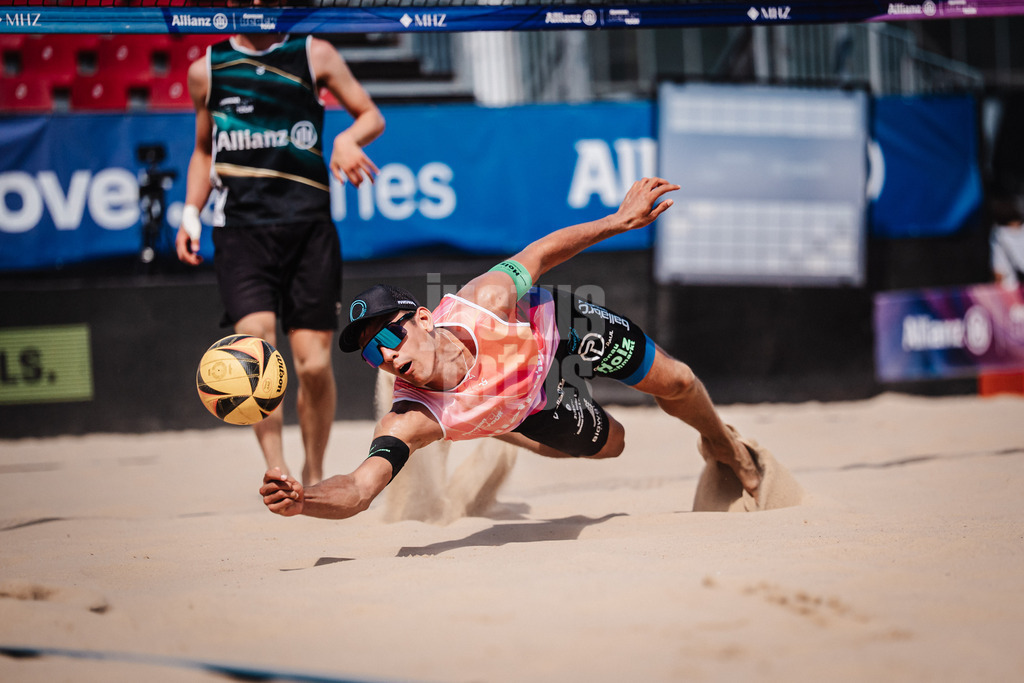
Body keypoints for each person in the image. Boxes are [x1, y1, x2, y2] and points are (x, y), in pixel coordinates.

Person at [260, 177, 767, 520]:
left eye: (389, 337)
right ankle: (498, 423)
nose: (388, 357)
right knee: (614, 443)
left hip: (555, 330)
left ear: (421, 318)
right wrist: (305, 499)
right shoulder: (410, 419)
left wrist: (619, 221)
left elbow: (542, 252)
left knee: (675, 380)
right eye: (374, 355)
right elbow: (359, 487)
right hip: (529, 402)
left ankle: (725, 446)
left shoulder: (484, 301)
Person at [175, 28, 385, 486]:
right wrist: (190, 213)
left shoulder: (314, 53)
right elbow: (204, 150)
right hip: (240, 231)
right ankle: (277, 466)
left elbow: (370, 115)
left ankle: (313, 468)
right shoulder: (206, 70)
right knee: (255, 347)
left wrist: (348, 140)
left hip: (308, 228)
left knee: (311, 365)